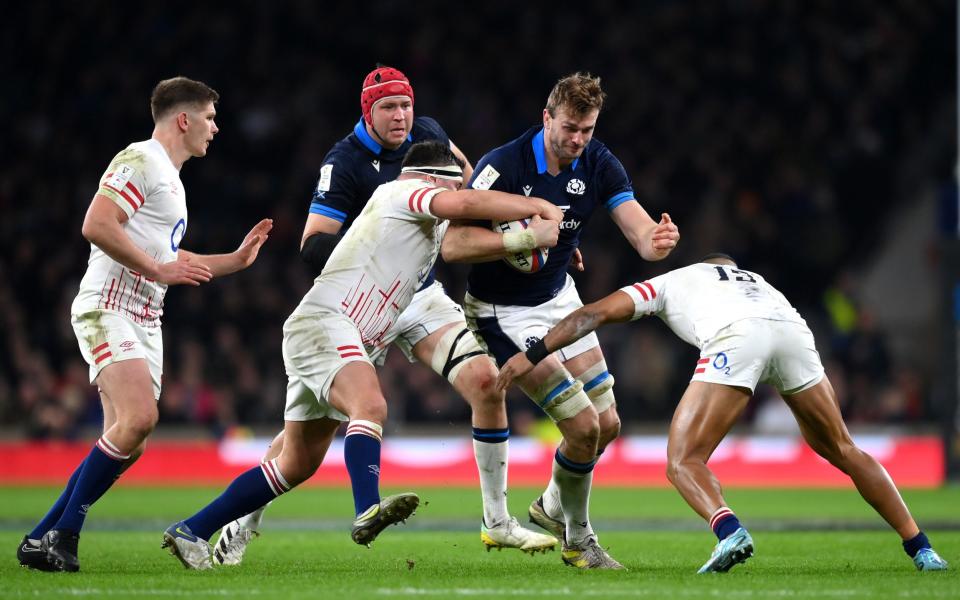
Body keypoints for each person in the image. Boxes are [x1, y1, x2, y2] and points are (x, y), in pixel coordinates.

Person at [210, 66, 560, 567]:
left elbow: (468, 182)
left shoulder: (429, 134)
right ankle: (242, 523)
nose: (400, 117)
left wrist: (529, 233)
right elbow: (312, 243)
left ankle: (497, 522)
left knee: (486, 382)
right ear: (366, 111)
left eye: (405, 105)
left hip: (418, 295)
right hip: (362, 304)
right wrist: (369, 246)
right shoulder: (344, 163)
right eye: (387, 108)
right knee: (309, 438)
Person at [496, 254, 950, 573]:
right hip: (792, 330)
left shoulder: (674, 280)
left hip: (739, 335)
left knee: (682, 459)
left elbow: (591, 314)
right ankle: (922, 549)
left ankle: (729, 530)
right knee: (842, 447)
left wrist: (536, 350)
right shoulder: (753, 279)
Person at [16, 77, 273, 573]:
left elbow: (173, 258)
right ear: (184, 119)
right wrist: (158, 270)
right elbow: (97, 223)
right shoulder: (140, 159)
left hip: (144, 317)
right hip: (108, 306)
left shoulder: (171, 179)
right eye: (210, 118)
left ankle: (39, 537)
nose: (216, 128)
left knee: (128, 439)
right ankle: (64, 537)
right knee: (139, 420)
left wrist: (236, 261)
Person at [450, 72, 679, 569]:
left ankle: (553, 504)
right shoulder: (502, 165)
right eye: (570, 127)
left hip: (558, 299)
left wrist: (654, 242)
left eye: (588, 130)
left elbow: (637, 227)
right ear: (547, 117)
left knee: (608, 424)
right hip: (502, 312)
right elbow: (452, 244)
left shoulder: (598, 162)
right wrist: (520, 240)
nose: (578, 140)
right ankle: (579, 540)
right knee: (581, 427)